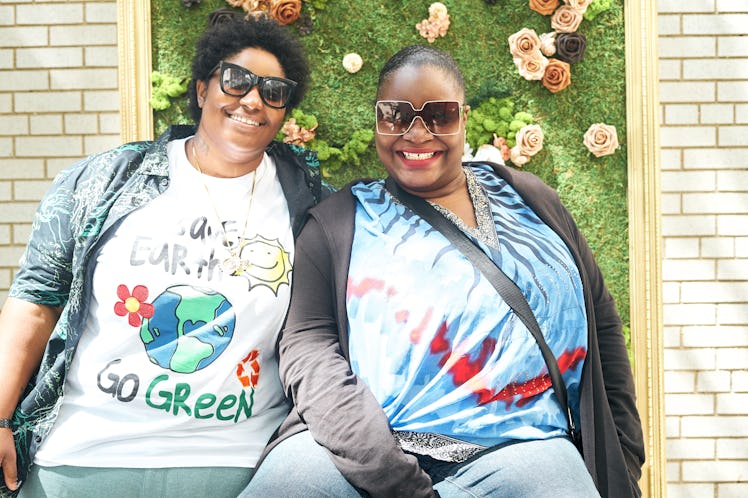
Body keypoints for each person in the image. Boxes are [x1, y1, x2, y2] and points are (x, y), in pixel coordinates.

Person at [241, 44, 645, 498]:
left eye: (439, 115)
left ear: (464, 118)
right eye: (395, 115)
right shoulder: (338, 224)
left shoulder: (532, 201)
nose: (416, 133)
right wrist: (394, 479)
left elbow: (600, 320)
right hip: (359, 457)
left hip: (522, 451)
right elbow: (309, 354)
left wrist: (626, 453)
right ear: (377, 121)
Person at [0, 12, 331, 497]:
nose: (253, 100)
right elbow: (35, 299)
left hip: (235, 464)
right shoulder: (106, 181)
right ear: (202, 89)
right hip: (83, 456)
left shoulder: (312, 207)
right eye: (236, 81)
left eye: (273, 91)